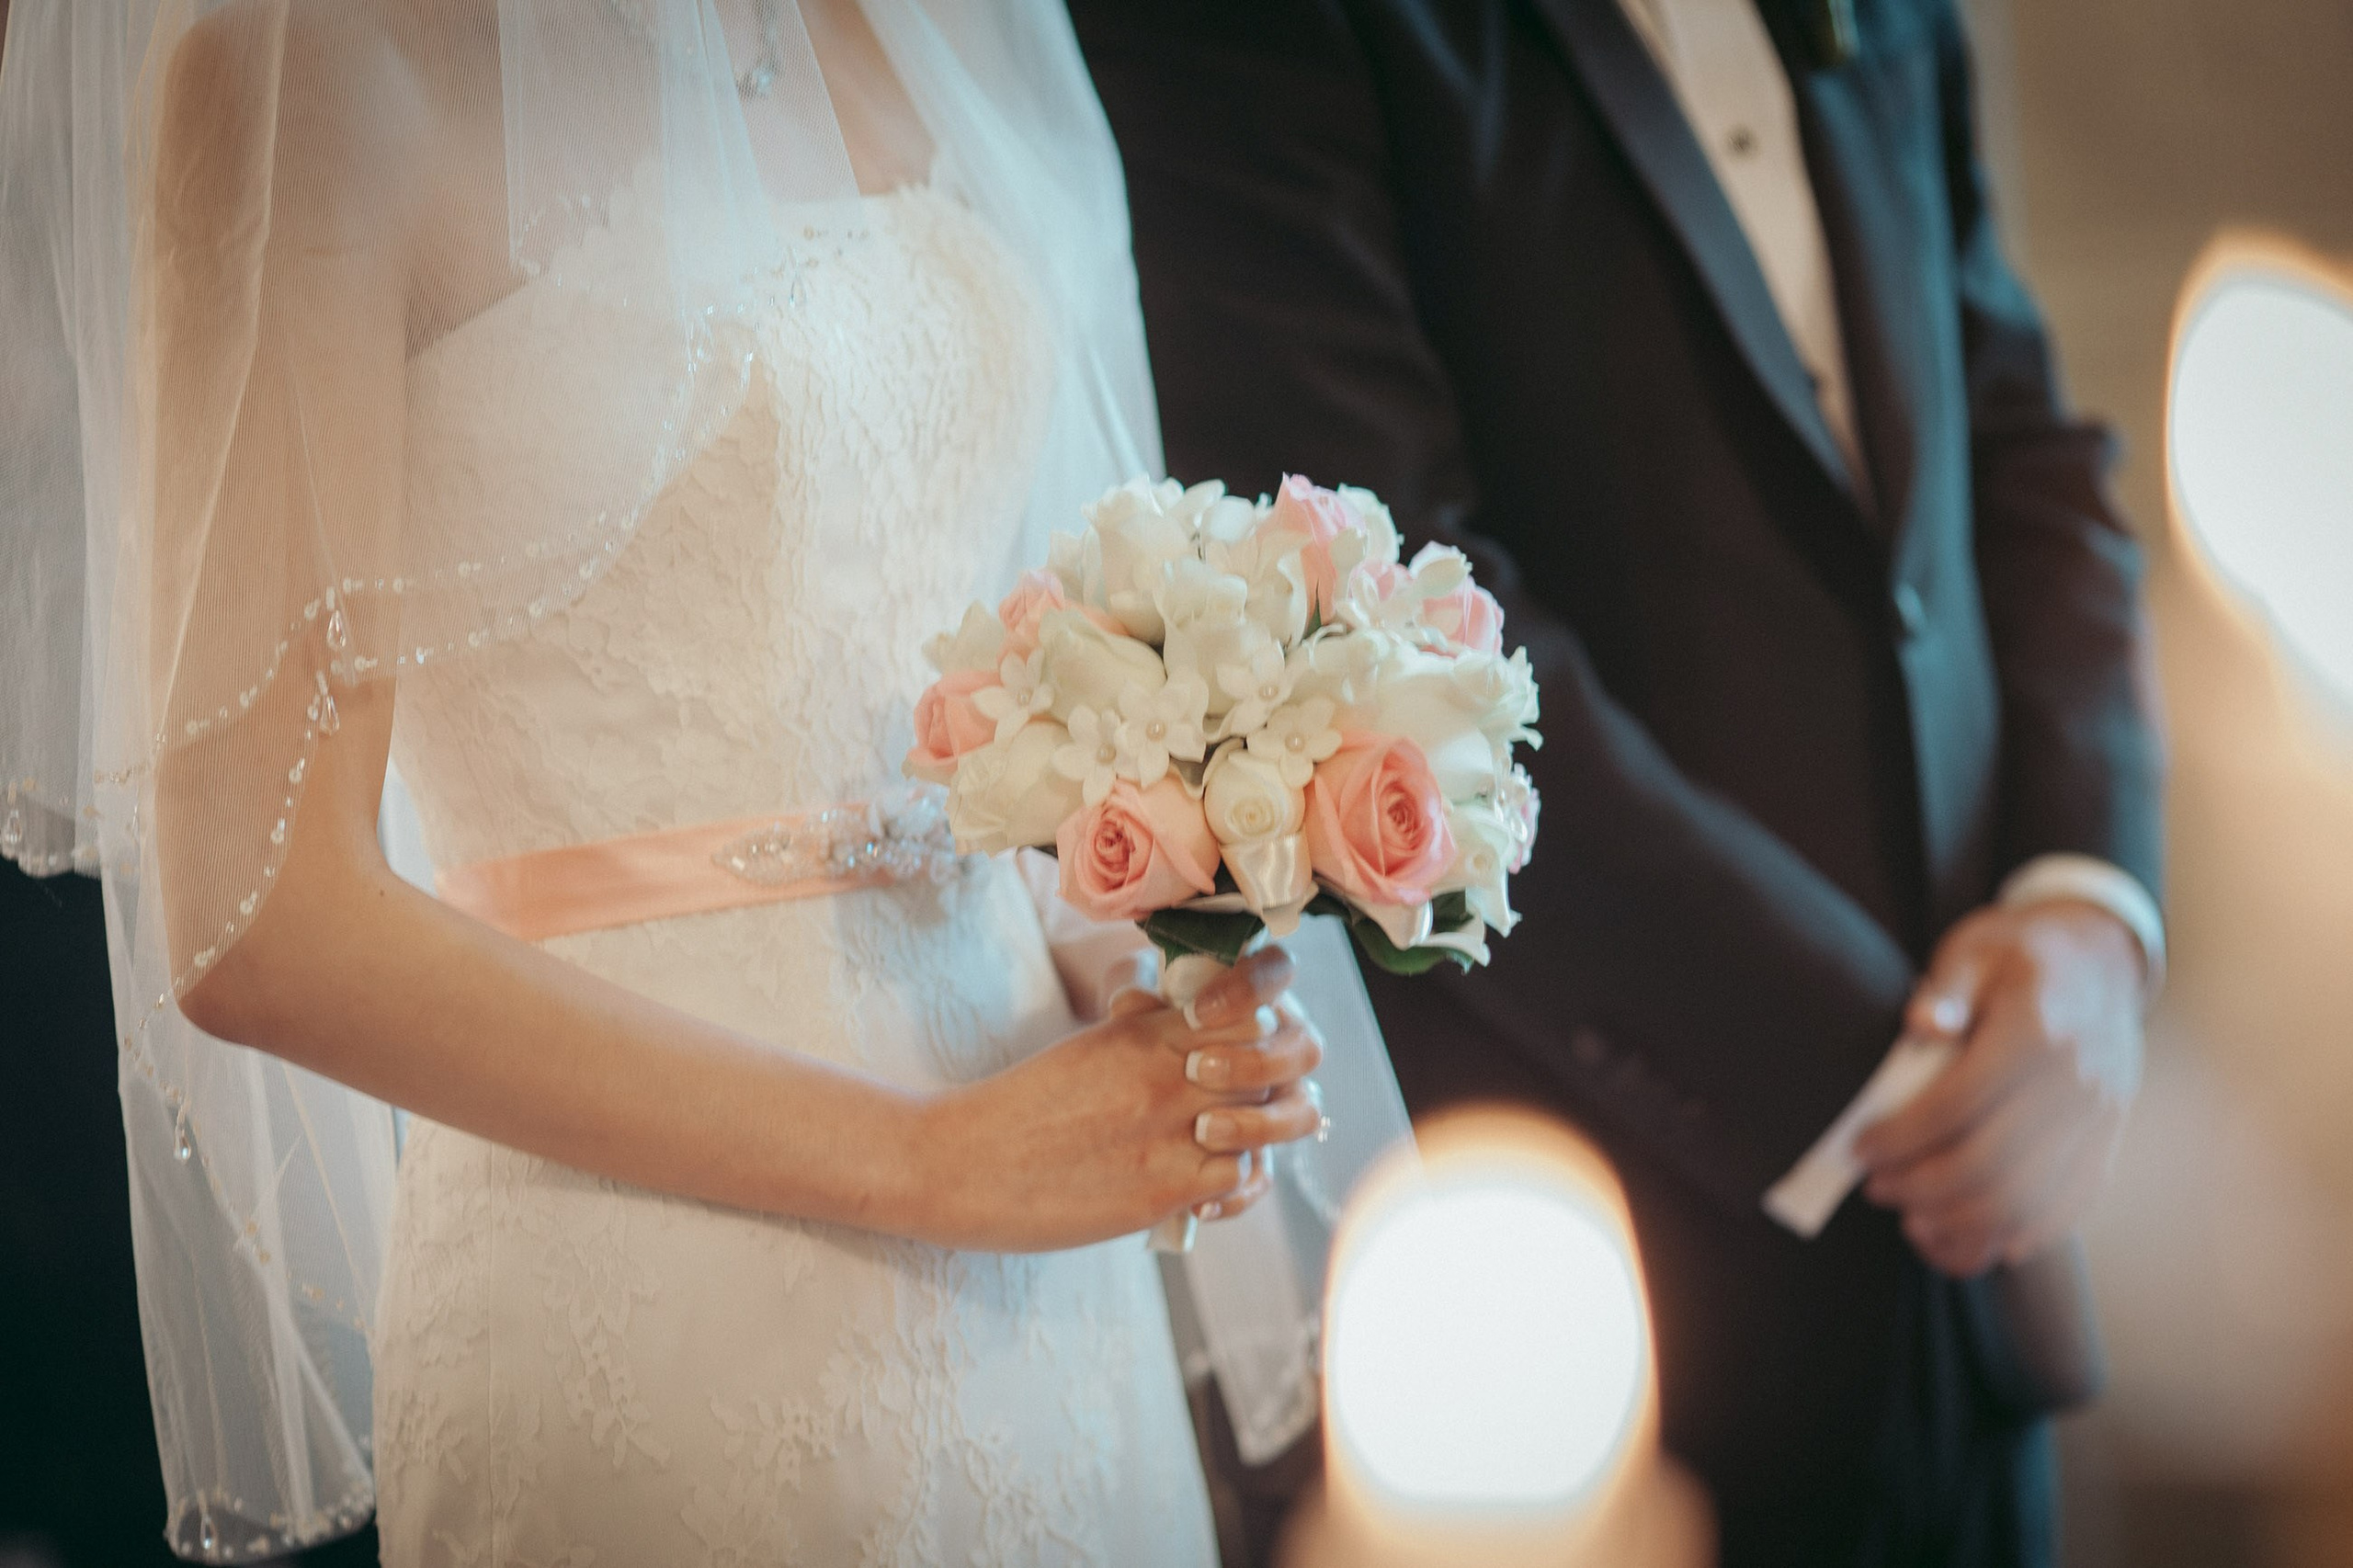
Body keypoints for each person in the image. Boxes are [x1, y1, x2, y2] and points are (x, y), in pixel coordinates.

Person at [0, 2, 1323, 1562]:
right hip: (653, 1295)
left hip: (1048, 1265)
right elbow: (253, 911)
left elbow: (998, 670)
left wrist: (1125, 954)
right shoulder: (313, 64)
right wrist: (927, 1160)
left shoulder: (921, 26)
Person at [1071, 0, 2165, 1562]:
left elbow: (2018, 445)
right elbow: (1370, 615)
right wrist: (1899, 1084)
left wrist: (2091, 910)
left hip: (1979, 1244)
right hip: (1579, 1273)